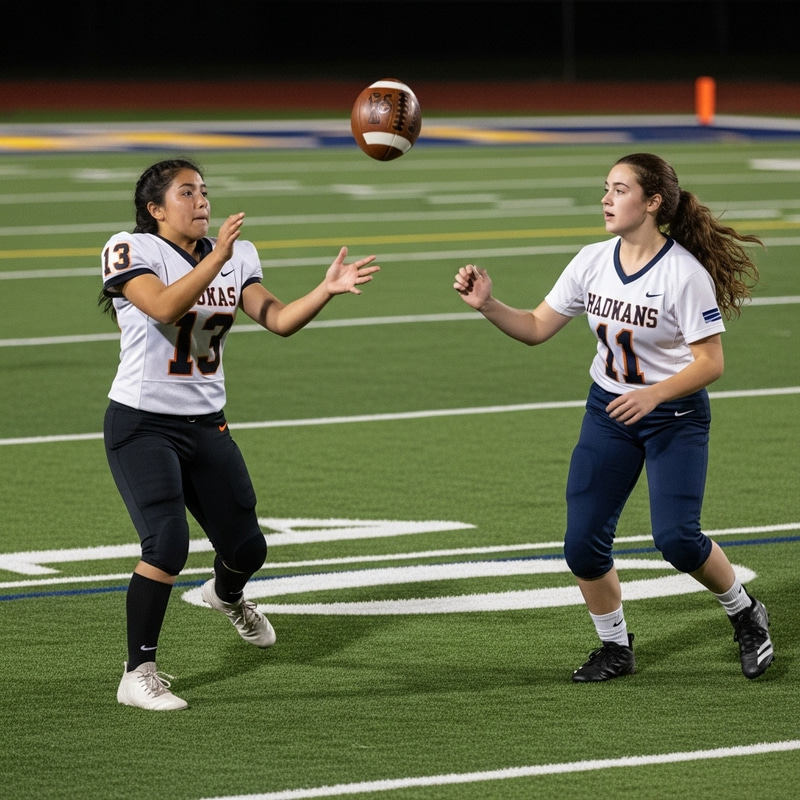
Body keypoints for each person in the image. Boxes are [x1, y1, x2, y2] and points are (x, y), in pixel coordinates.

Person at [453, 152, 774, 682]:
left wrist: (654, 395)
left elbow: (711, 362)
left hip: (673, 415)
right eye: (606, 187)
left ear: (652, 203)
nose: (605, 198)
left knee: (675, 538)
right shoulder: (592, 260)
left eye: (619, 190)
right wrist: (489, 304)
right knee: (582, 544)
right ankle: (615, 647)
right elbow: (536, 326)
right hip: (608, 411)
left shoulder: (682, 273)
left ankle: (745, 613)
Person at [100, 158, 379, 710]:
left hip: (206, 421)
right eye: (187, 193)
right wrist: (216, 259)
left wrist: (324, 290)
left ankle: (225, 595)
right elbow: (162, 305)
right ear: (156, 210)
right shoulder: (130, 248)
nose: (202, 200)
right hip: (142, 421)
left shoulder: (236, 255)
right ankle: (138, 672)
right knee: (167, 543)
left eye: (204, 190)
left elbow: (277, 319)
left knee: (248, 547)